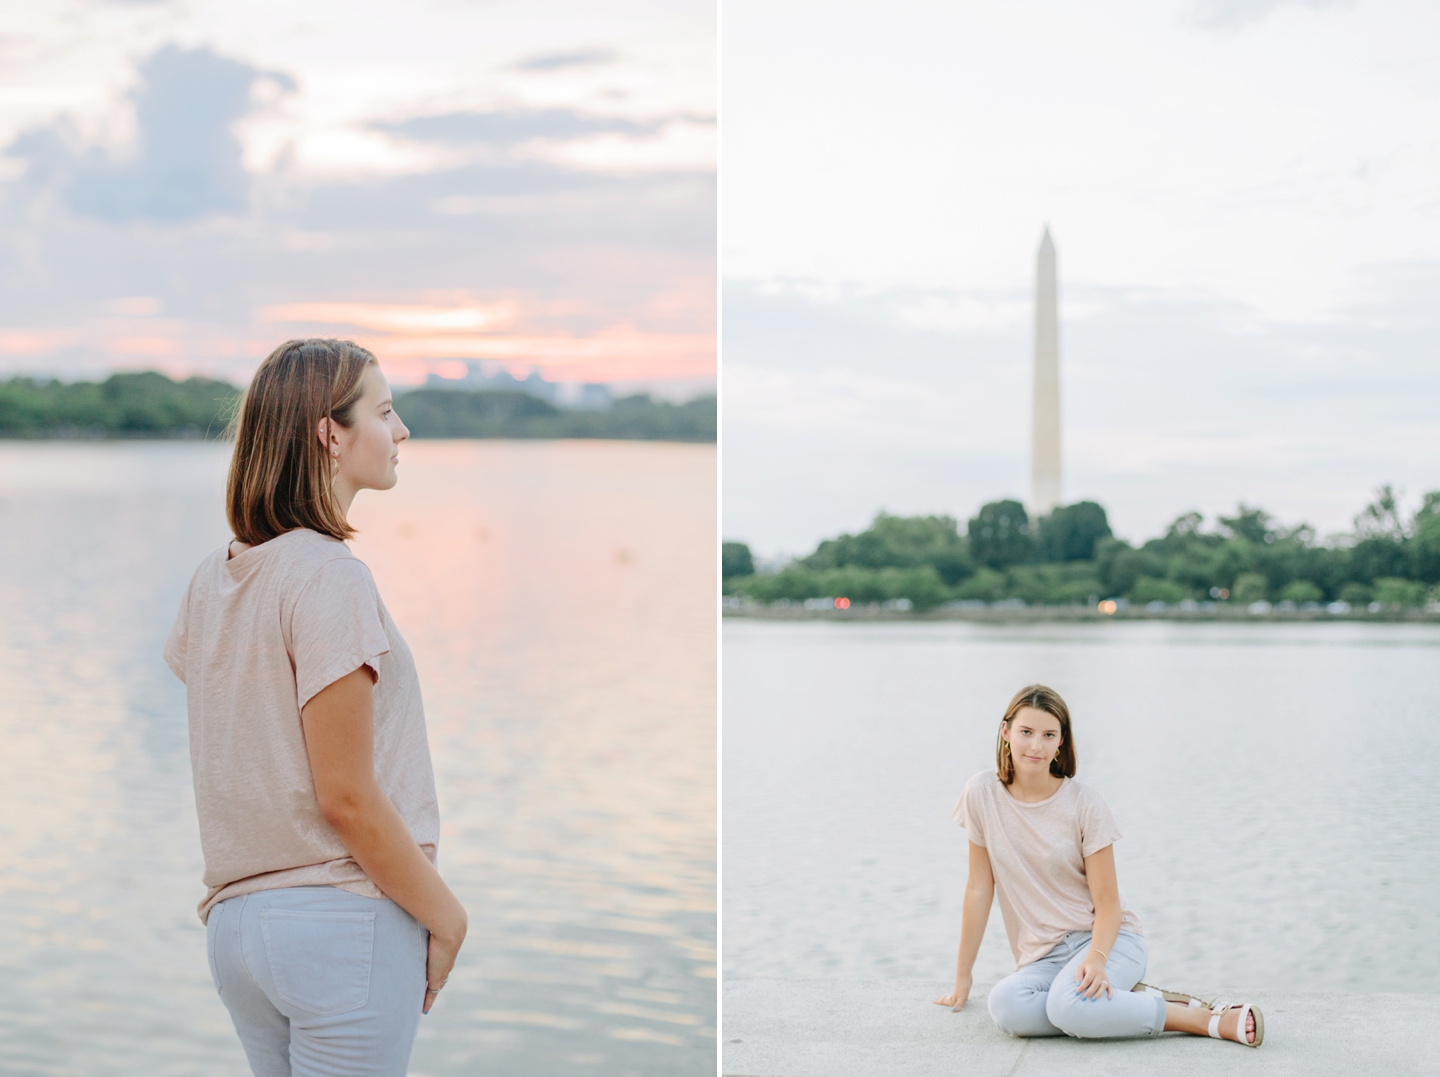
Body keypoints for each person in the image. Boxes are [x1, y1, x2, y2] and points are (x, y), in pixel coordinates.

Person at [164, 339, 467, 1077]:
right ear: (331, 433)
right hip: (338, 922)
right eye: (385, 411)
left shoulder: (217, 575)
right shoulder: (330, 575)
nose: (401, 433)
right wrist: (448, 916)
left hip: (237, 930)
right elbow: (346, 796)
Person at [933, 684, 1261, 1047]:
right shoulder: (981, 793)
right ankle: (1119, 1004)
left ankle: (1204, 1019)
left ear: (1061, 742)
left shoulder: (1084, 804)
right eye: (1026, 732)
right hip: (1042, 955)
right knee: (1006, 1006)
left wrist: (1098, 959)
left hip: (1108, 940)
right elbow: (979, 888)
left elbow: (1108, 904)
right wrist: (963, 978)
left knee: (1069, 1007)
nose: (1035, 746)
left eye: (1048, 735)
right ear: (1006, 732)